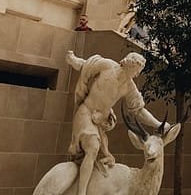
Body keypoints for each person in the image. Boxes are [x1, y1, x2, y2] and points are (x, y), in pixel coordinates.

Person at [65, 50, 179, 195]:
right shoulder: (107, 66)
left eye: (138, 71)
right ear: (127, 63)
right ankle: (81, 193)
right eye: (135, 69)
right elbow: (87, 66)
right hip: (86, 112)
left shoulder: (129, 87)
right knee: (93, 147)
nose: (136, 73)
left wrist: (157, 124)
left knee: (98, 151)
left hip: (100, 121)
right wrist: (73, 60)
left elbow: (139, 110)